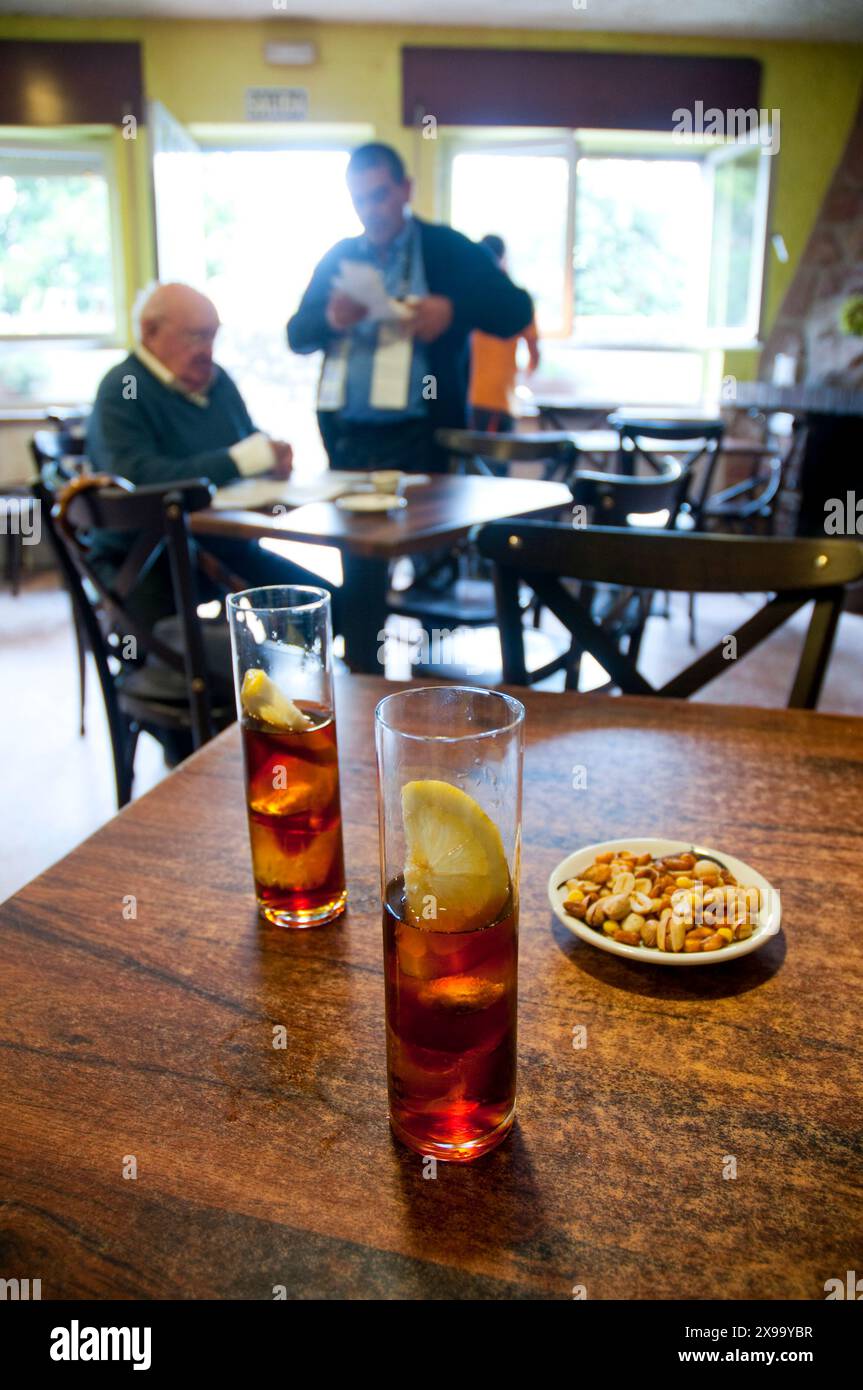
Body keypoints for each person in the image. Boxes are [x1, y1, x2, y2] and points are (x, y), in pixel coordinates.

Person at [87, 282, 337, 627]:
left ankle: (341, 675)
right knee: (189, 660)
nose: (207, 350)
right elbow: (135, 477)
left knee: (329, 607)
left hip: (223, 548)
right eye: (195, 337)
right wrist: (237, 461)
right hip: (146, 558)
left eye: (212, 337)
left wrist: (271, 455)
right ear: (149, 332)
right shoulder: (123, 387)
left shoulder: (216, 382)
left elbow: (248, 440)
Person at [287, 143, 535, 475]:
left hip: (425, 439)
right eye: (360, 200)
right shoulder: (339, 257)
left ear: (406, 189)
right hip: (349, 441)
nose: (371, 210)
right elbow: (296, 335)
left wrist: (453, 311)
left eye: (380, 196)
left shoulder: (446, 248)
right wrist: (330, 319)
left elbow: (516, 309)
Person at [469, 235, 541, 434]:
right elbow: (534, 354)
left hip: (474, 397)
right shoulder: (517, 300)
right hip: (501, 397)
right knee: (494, 461)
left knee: (475, 461)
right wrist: (524, 377)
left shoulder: (471, 295)